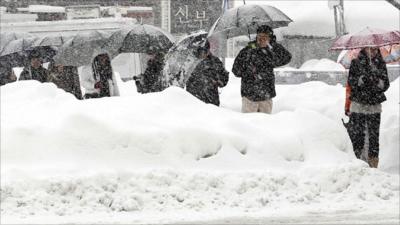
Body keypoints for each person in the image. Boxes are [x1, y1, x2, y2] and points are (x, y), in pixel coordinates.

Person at [232, 25, 291, 113]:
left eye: (265, 37)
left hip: (266, 95)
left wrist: (273, 45)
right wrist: (247, 70)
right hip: (249, 96)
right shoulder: (247, 51)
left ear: (270, 38)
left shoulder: (272, 51)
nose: (261, 39)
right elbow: (236, 71)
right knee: (247, 124)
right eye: (259, 36)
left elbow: (287, 57)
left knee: (265, 124)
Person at [347, 47, 390, 168]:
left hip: (374, 105)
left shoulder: (381, 63)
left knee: (374, 136)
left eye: (375, 49)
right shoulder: (355, 62)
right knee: (358, 135)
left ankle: (373, 163)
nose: (373, 51)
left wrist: (378, 82)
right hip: (359, 104)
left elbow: (386, 83)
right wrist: (361, 80)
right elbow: (351, 81)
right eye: (370, 49)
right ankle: (359, 161)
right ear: (364, 49)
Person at [186, 41, 229, 106]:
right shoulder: (191, 62)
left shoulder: (215, 61)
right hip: (193, 101)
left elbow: (224, 77)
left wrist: (217, 81)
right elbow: (186, 79)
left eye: (205, 52)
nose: (203, 54)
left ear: (208, 50)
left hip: (211, 102)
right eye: (201, 52)